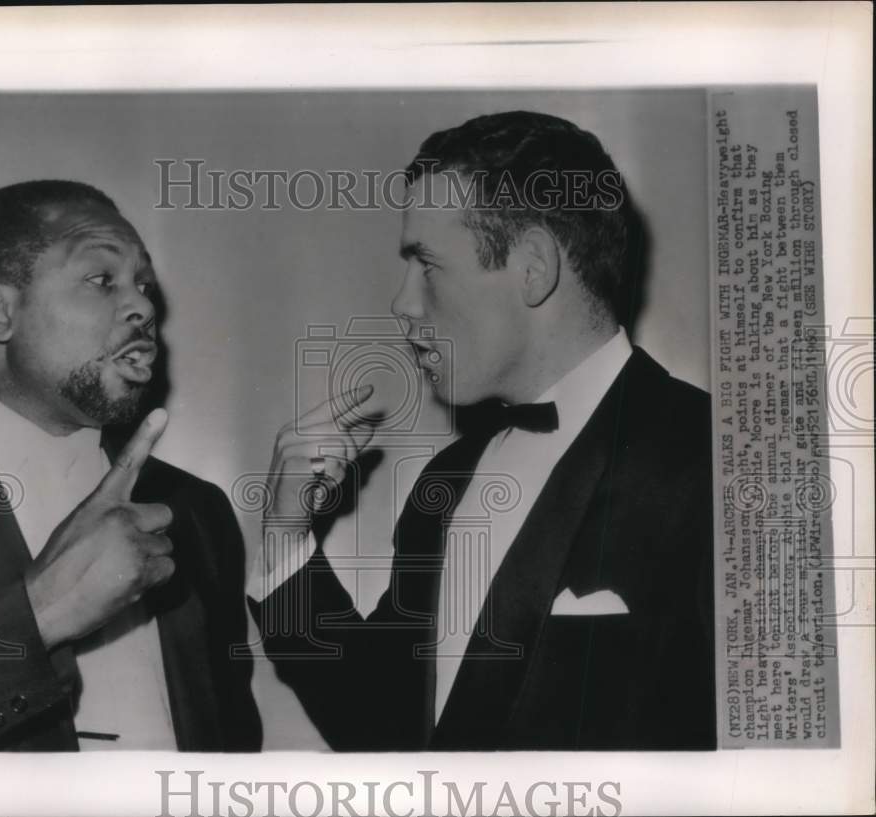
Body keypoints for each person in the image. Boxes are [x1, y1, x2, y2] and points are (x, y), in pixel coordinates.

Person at [248, 111, 716, 750]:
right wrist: (287, 538)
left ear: (532, 268)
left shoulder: (719, 462)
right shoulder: (443, 484)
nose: (402, 303)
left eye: (428, 264)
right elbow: (378, 726)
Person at [0, 180, 261, 751]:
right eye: (102, 280)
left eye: (143, 285)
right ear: (0, 311)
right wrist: (41, 613)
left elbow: (230, 743)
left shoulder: (194, 512)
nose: (144, 307)